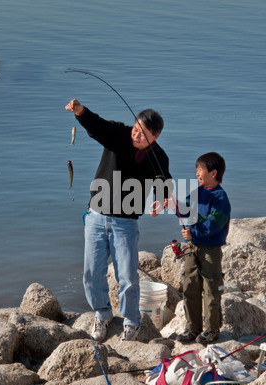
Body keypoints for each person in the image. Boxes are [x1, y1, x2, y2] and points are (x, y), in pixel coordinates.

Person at [65, 99, 172, 342]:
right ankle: (102, 313)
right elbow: (96, 125)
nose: (136, 134)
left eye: (143, 134)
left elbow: (163, 181)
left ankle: (132, 322)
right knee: (92, 273)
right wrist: (80, 111)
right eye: (135, 128)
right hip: (95, 217)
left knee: (127, 276)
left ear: (155, 137)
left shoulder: (158, 157)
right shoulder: (118, 134)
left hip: (125, 223)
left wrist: (161, 200)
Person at [166, 152, 231, 345]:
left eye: (199, 170)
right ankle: (193, 328)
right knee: (189, 286)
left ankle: (211, 330)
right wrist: (171, 204)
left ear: (213, 173)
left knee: (211, 289)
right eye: (196, 170)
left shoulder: (220, 198)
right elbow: (186, 208)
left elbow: (213, 225)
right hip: (192, 249)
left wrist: (194, 233)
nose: (196, 174)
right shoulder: (198, 192)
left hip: (211, 251)